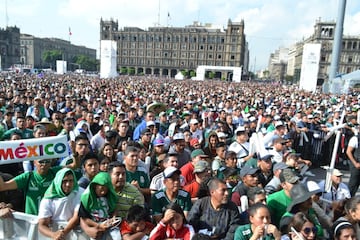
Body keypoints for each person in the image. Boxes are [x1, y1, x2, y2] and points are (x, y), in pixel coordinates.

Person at [38, 168, 83, 240]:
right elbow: (42, 225)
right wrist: (53, 235)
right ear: (58, 181)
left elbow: (76, 217)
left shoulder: (80, 193)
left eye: (71, 181)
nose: (68, 184)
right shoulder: (47, 199)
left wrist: (62, 233)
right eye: (64, 181)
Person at [79, 172, 119, 240]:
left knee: (117, 236)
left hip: (108, 225)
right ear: (95, 186)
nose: (103, 192)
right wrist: (98, 225)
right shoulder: (87, 199)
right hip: (94, 227)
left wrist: (114, 218)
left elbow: (114, 208)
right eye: (101, 189)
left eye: (106, 189)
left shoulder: (110, 197)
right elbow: (84, 218)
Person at [346, 131, 360, 196]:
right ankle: (348, 202)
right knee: (353, 185)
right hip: (356, 165)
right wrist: (355, 163)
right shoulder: (355, 139)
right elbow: (348, 151)